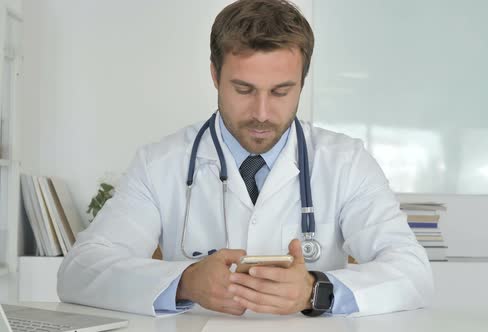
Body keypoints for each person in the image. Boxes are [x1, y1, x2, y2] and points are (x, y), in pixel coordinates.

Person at [57, 0, 433, 317]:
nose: (262, 113)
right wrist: (185, 282)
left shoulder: (346, 162)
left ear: (303, 81)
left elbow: (413, 272)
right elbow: (79, 270)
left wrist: (317, 291)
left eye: (282, 91)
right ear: (214, 75)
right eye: (243, 89)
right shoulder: (160, 163)